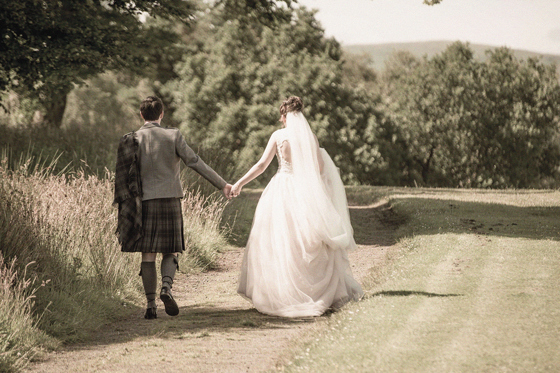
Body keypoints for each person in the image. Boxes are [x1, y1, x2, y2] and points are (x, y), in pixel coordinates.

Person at [231, 96, 363, 317]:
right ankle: (313, 291)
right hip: (304, 190)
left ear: (284, 116)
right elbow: (320, 169)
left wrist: (239, 183)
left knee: (280, 241)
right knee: (305, 240)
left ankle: (281, 293)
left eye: (281, 115)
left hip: (281, 189)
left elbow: (262, 165)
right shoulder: (310, 137)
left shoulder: (278, 136)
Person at [114, 96, 232, 319]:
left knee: (147, 254)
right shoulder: (173, 135)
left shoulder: (131, 139)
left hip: (143, 203)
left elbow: (122, 178)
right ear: (161, 114)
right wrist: (222, 184)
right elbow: (195, 162)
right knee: (171, 249)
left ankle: (150, 305)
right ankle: (166, 288)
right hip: (169, 201)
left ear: (141, 115)